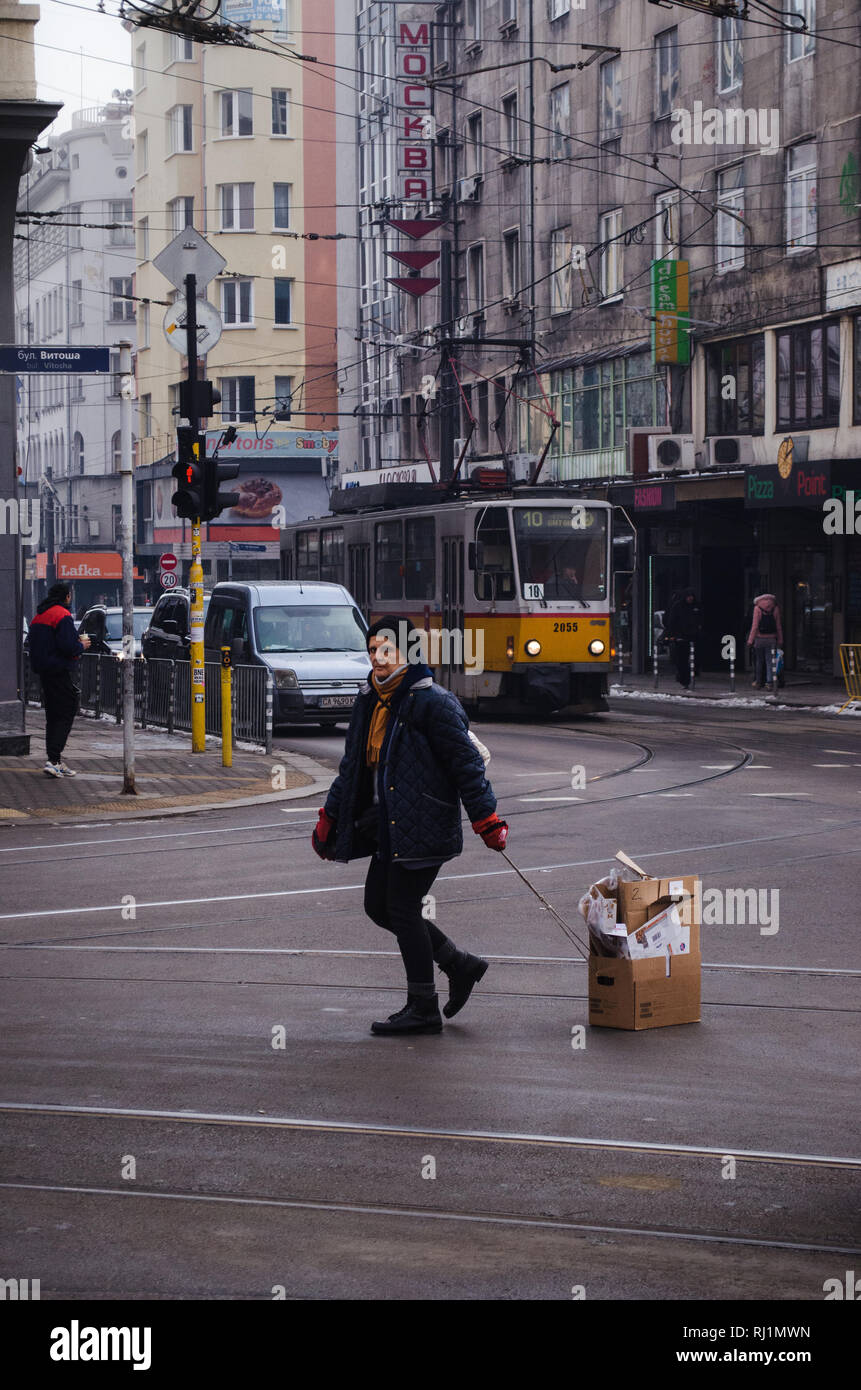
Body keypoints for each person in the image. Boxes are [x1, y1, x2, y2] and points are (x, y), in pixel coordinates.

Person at [312, 615, 507, 1037]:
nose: (378, 659)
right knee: (379, 906)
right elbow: (351, 770)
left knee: (400, 908)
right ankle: (460, 965)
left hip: (424, 822)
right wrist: (329, 816)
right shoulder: (370, 699)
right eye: (372, 650)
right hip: (387, 825)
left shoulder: (433, 702)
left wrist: (486, 819)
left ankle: (423, 1006)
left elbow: (467, 766)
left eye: (387, 650)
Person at [27, 582, 90, 777]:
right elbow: (67, 646)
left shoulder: (39, 616)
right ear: (67, 597)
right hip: (59, 670)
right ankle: (53, 760)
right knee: (66, 711)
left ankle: (55, 759)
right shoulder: (61, 615)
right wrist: (82, 646)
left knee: (53, 715)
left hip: (44, 671)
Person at [664, 588, 702, 688]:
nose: (690, 598)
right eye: (688, 596)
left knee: (695, 658)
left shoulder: (696, 606)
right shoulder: (678, 606)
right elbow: (672, 621)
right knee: (682, 659)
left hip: (694, 637)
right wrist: (673, 635)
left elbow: (700, 618)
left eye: (692, 596)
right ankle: (684, 679)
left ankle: (692, 674)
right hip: (681, 637)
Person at [747, 592, 783, 689]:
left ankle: (758, 682)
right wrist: (780, 640)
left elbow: (754, 626)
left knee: (759, 661)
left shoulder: (757, 608)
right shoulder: (775, 607)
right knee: (770, 661)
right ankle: (769, 682)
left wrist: (750, 641)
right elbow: (778, 626)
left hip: (759, 639)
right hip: (771, 639)